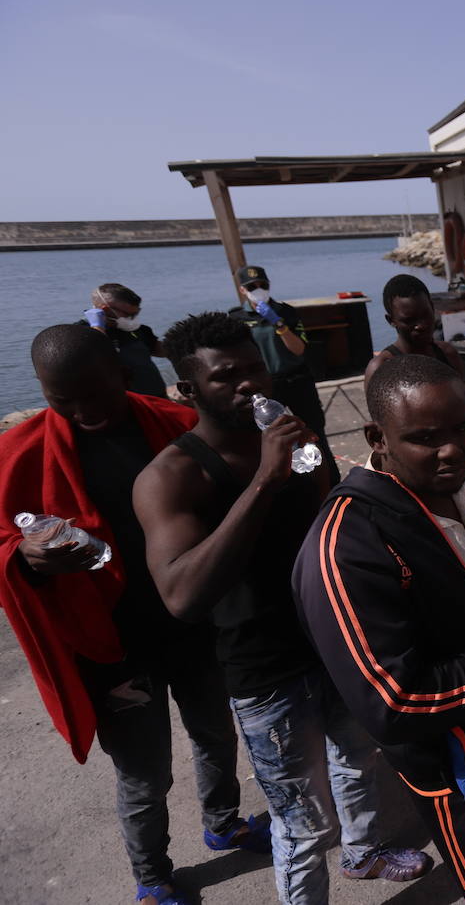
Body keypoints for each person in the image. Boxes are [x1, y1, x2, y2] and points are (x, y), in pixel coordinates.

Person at [133, 312, 428, 904]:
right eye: (226, 377)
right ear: (188, 390)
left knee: (357, 760)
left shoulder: (297, 440)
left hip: (335, 642)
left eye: (253, 368)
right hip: (263, 669)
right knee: (301, 822)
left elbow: (328, 530)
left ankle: (364, 853)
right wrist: (265, 480)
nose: (248, 385)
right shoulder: (172, 475)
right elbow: (182, 596)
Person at [0, 324, 267, 905]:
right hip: (112, 645)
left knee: (216, 733)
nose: (80, 410)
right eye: (60, 399)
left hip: (192, 625)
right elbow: (3, 540)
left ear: (123, 375)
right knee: (145, 774)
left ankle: (224, 823)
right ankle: (152, 875)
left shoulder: (174, 425)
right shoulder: (16, 456)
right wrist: (24, 555)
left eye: (93, 394)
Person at [293, 355, 465, 904]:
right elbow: (394, 703)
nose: (452, 450)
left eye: (462, 428)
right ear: (377, 436)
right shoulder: (346, 545)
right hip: (463, 774)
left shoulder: (457, 486)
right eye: (424, 437)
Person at [230, 265, 340, 483]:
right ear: (243, 290)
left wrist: (278, 323)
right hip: (266, 389)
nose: (259, 289)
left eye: (263, 284)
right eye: (252, 286)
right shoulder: (237, 318)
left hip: (297, 380)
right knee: (276, 441)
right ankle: (293, 486)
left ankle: (331, 482)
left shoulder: (286, 312)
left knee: (314, 433)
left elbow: (299, 349)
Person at [362, 274, 463, 386]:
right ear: (391, 320)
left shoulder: (448, 353)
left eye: (426, 315)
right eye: (409, 320)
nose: (421, 325)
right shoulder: (381, 369)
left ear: (432, 308)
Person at [81, 282, 168, 398]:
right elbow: (98, 357)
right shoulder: (81, 333)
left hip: (158, 397)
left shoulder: (138, 330)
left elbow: (161, 350)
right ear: (105, 310)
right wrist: (98, 328)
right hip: (124, 403)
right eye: (128, 315)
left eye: (136, 314)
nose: (132, 319)